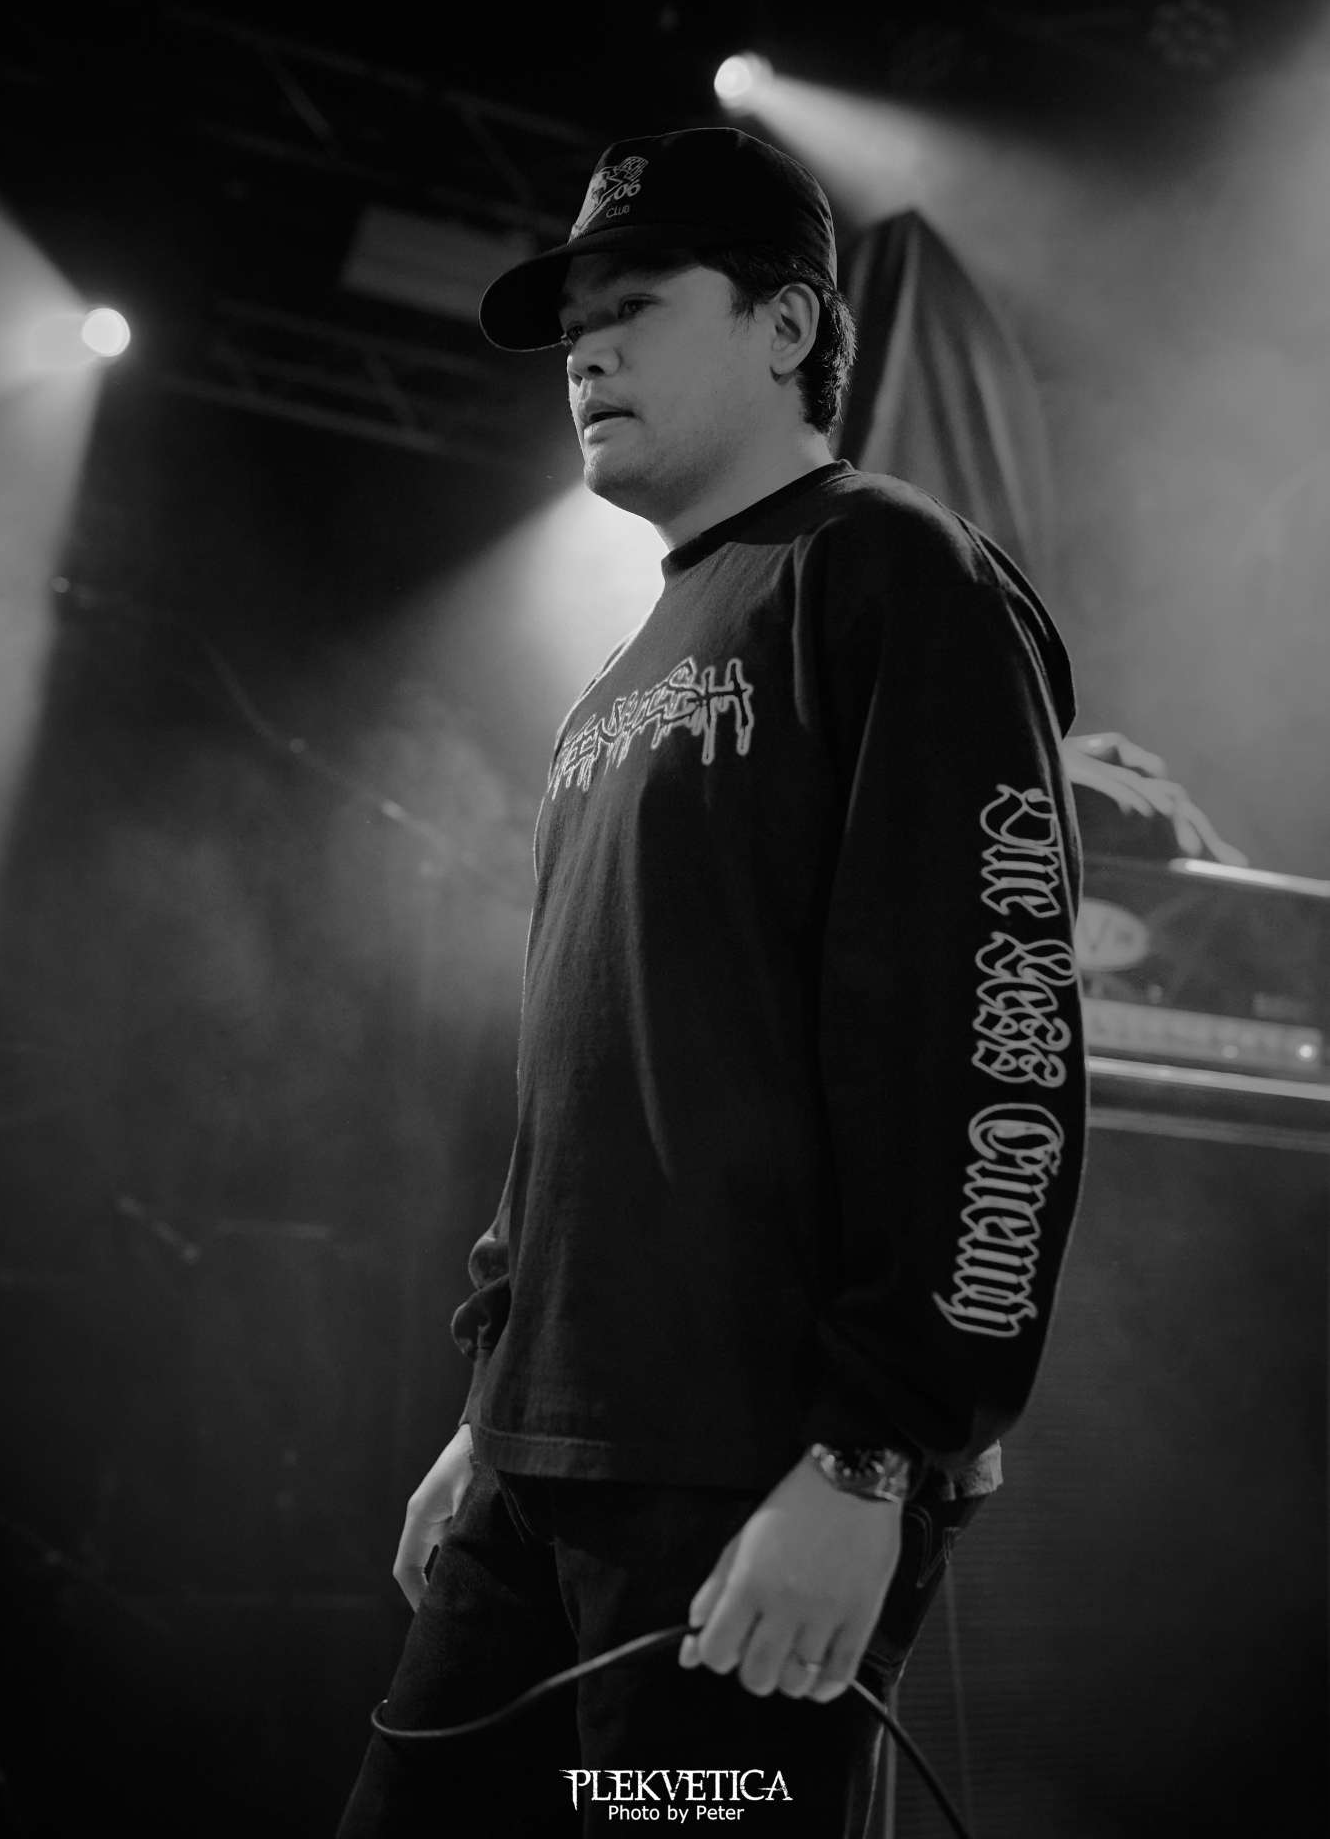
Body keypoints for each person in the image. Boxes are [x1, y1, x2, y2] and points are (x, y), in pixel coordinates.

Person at [337, 127, 1087, 1837]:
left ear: (784, 323)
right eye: (571, 325)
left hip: (754, 1478)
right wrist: (493, 1410)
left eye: (633, 304)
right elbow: (584, 1087)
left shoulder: (891, 572)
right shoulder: (615, 677)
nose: (583, 352)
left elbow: (992, 1042)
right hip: (542, 1467)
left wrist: (874, 1454)